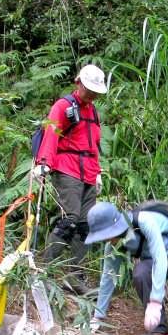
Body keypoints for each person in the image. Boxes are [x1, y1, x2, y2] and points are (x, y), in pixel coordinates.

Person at [85, 201, 168, 335]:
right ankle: (159, 329)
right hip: (158, 258)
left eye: (104, 234)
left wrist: (155, 302)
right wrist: (98, 316)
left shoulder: (144, 221)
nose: (104, 239)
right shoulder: (113, 245)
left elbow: (160, 259)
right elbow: (108, 278)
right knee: (140, 273)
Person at [34, 64, 108, 294]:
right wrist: (43, 163)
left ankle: (75, 278)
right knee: (70, 220)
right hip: (67, 169)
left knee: (86, 225)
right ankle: (42, 271)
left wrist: (97, 173)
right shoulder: (64, 106)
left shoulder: (93, 111)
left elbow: (93, 145)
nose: (92, 94)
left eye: (95, 90)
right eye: (88, 89)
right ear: (78, 83)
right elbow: (51, 133)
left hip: (88, 172)